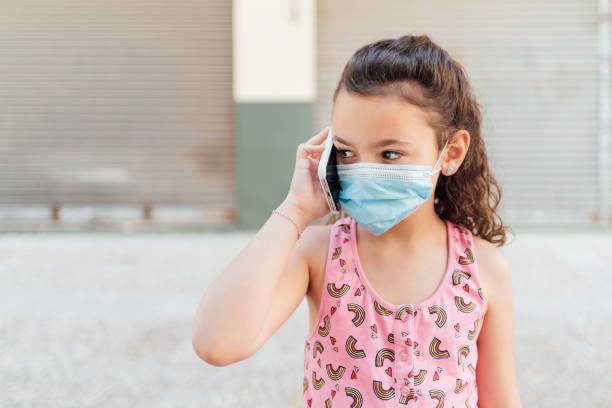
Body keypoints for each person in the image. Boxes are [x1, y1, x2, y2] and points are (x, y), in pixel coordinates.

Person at [192, 34, 522, 407]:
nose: (363, 169)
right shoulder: (319, 254)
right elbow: (217, 343)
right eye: (347, 152)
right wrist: (294, 210)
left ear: (452, 153)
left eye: (391, 153)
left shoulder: (483, 268)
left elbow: (500, 400)